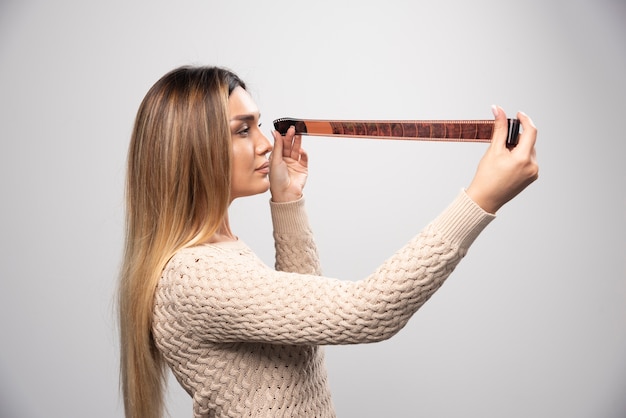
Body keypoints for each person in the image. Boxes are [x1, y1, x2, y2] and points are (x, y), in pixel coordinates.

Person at [118, 65, 538, 418]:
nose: (265, 143)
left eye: (259, 125)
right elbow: (368, 313)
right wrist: (481, 197)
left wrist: (287, 202)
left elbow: (303, 332)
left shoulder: (218, 253)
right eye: (242, 130)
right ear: (193, 148)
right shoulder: (196, 275)